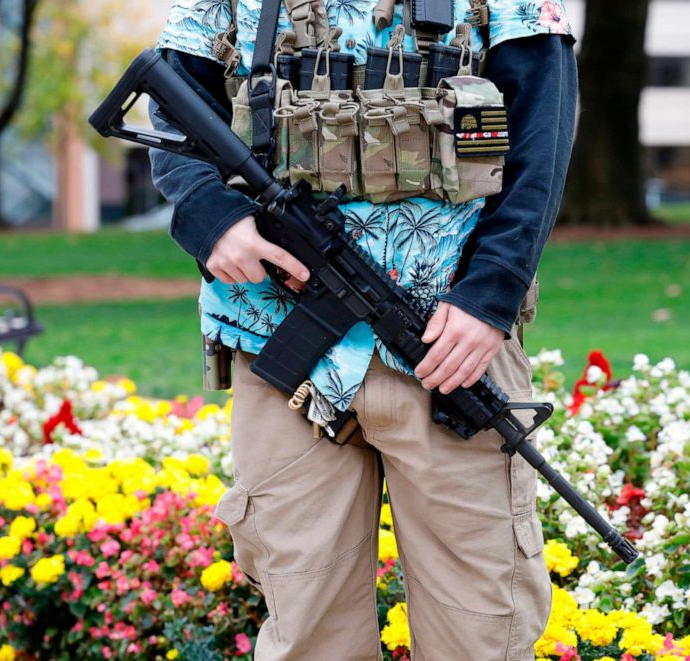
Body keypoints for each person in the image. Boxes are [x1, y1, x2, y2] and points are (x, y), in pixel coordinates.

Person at [149, 1, 577, 658]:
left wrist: (491, 293)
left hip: (449, 349)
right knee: (308, 628)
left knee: (481, 631)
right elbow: (176, 97)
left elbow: (541, 124)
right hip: (279, 340)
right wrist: (212, 218)